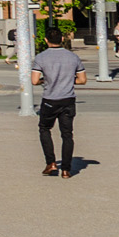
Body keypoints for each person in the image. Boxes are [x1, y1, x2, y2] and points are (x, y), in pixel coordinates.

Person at [32, 25, 87, 178]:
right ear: (62, 39)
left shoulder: (40, 57)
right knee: (67, 134)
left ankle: (51, 162)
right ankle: (66, 170)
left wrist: (46, 80)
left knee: (44, 128)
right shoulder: (73, 57)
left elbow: (34, 81)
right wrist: (69, 80)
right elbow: (82, 80)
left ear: (46, 40)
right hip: (68, 100)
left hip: (50, 100)